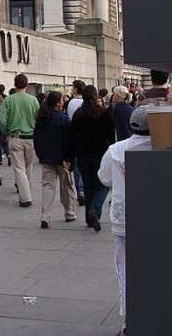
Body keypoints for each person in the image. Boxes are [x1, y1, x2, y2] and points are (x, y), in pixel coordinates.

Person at [98, 106, 152, 336]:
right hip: (153, 218)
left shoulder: (115, 149)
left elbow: (104, 178)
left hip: (123, 217)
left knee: (125, 269)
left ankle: (129, 321)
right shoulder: (162, 149)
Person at [69, 85, 115, 232]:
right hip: (101, 155)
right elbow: (111, 138)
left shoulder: (78, 114)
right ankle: (94, 210)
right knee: (102, 185)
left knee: (88, 186)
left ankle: (90, 218)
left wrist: (70, 157)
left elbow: (72, 138)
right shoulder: (104, 114)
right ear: (96, 97)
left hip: (82, 155)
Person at [33, 91, 77, 228]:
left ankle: (45, 215)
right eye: (62, 100)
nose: (63, 102)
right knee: (67, 186)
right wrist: (70, 158)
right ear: (58, 103)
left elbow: (36, 139)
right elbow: (69, 141)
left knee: (48, 186)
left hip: (46, 157)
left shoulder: (41, 118)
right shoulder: (64, 119)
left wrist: (40, 155)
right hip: (63, 158)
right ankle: (69, 212)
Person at [0, 74, 40, 208]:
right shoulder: (33, 100)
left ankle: (25, 197)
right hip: (31, 137)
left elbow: (2, 121)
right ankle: (26, 193)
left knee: (19, 168)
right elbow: (39, 118)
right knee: (28, 168)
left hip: (15, 136)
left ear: (14, 85)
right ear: (26, 86)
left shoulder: (9, 100)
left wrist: (5, 132)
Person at [65, 80, 86, 206]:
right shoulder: (86, 102)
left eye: (73, 88)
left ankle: (80, 191)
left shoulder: (71, 103)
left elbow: (68, 119)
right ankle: (86, 190)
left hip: (75, 137)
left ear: (76, 89)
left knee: (77, 167)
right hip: (87, 138)